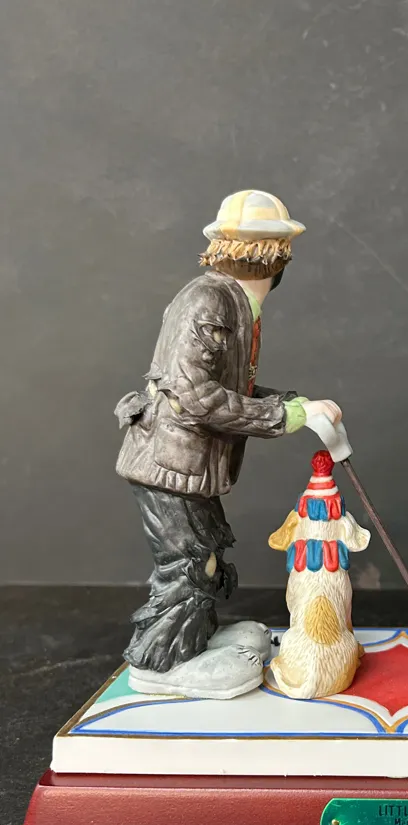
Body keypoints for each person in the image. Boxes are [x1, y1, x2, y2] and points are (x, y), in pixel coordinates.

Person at [114, 190, 341, 698]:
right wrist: (284, 415)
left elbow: (227, 388)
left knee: (206, 550)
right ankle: (163, 663)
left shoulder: (234, 301)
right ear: (276, 258)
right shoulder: (210, 301)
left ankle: (194, 638)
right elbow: (194, 395)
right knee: (190, 561)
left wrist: (292, 404)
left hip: (187, 465)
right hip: (170, 462)